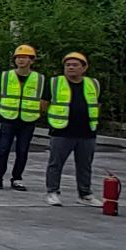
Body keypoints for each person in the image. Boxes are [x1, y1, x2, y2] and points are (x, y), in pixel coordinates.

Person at [0, 43, 45, 191]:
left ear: (31, 60)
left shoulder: (39, 78)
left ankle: (17, 178)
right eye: (18, 57)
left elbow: (44, 100)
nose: (21, 60)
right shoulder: (6, 76)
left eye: (24, 57)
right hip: (8, 118)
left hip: (28, 120)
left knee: (22, 151)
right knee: (3, 150)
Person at [44, 52, 101, 207]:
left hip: (87, 132)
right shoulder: (55, 82)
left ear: (84, 68)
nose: (70, 68)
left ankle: (85, 194)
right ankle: (52, 192)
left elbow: (97, 104)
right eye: (67, 65)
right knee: (56, 163)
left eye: (75, 65)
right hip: (61, 131)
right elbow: (44, 104)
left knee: (85, 165)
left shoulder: (93, 84)